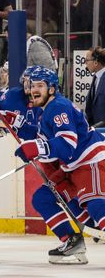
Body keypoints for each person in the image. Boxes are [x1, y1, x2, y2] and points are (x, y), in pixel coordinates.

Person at [16, 67, 105, 264]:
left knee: (96, 204)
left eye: (40, 85)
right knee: (43, 198)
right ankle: (72, 242)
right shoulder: (45, 110)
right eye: (32, 85)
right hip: (71, 168)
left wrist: (36, 147)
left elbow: (66, 144)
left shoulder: (58, 107)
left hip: (90, 161)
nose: (34, 90)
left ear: (52, 88)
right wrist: (19, 127)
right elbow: (44, 137)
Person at [85, 47, 105, 126]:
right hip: (94, 129)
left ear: (96, 62)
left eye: (87, 60)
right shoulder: (96, 78)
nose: (85, 63)